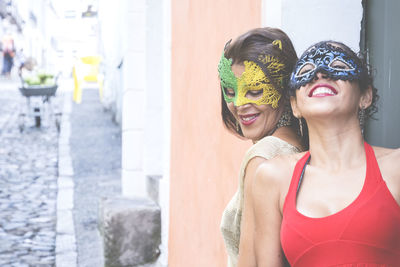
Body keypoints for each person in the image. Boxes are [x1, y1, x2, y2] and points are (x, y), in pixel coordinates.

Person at [250, 40, 400, 266]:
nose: (320, 74)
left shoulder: (396, 168)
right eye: (306, 71)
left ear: (365, 96)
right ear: (295, 106)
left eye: (338, 66)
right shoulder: (272, 177)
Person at [218, 27, 305, 267]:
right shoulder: (303, 146)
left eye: (255, 91)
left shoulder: (262, 158)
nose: (238, 104)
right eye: (230, 91)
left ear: (284, 89)